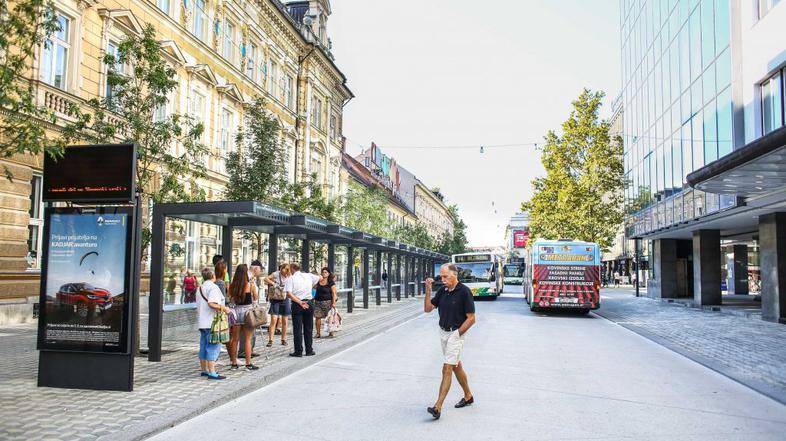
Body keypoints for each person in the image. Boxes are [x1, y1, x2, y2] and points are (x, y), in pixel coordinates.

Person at [423, 263, 476, 420]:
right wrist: (428, 290)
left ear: (455, 275)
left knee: (447, 367)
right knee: (455, 365)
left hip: (456, 333)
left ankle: (437, 406)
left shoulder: (464, 292)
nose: (443, 279)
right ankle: (468, 396)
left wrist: (457, 334)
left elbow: (471, 318)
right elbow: (427, 308)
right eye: (441, 276)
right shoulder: (442, 291)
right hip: (443, 333)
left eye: (445, 276)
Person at [196, 267, 232, 380]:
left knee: (203, 346)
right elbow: (212, 303)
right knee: (213, 346)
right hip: (212, 322)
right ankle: (212, 372)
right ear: (213, 276)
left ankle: (204, 370)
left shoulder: (200, 288)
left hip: (202, 322)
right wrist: (224, 308)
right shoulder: (213, 287)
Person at [227, 264, 260, 370]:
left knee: (234, 339)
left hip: (236, 312)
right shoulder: (250, 285)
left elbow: (230, 299)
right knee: (247, 339)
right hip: (247, 313)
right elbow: (255, 298)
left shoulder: (233, 286)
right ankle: (248, 364)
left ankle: (234, 363)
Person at [284, 262, 321, 357]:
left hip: (297, 304)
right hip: (309, 303)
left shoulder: (290, 279)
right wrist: (310, 285)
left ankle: (298, 351)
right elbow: (320, 278)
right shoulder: (309, 276)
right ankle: (309, 350)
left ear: (292, 268)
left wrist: (300, 302)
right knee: (309, 328)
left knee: (297, 328)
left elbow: (289, 294)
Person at [264, 263, 292, 347]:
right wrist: (273, 283)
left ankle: (283, 339)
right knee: (274, 319)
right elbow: (266, 278)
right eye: (283, 270)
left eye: (286, 271)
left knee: (285, 320)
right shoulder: (276, 274)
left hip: (285, 299)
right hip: (275, 299)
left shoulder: (290, 276)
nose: (284, 272)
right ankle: (270, 340)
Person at [313, 267, 338, 339]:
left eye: (325, 272)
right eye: (323, 272)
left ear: (329, 274)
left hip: (328, 302)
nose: (324, 273)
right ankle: (318, 333)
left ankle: (331, 332)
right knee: (318, 317)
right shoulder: (318, 281)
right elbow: (313, 288)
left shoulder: (331, 282)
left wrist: (333, 303)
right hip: (318, 302)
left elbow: (334, 293)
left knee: (330, 317)